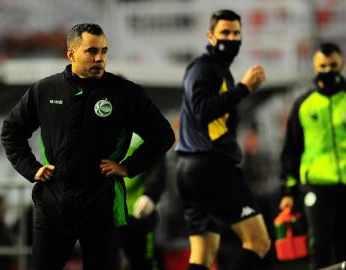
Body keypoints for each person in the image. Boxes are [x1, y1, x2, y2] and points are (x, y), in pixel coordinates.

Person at [0, 23, 175, 270]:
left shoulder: (125, 93)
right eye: (92, 51)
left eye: (104, 51)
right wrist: (32, 168)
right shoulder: (45, 89)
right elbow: (11, 131)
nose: (99, 58)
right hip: (52, 206)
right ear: (71, 53)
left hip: (102, 207)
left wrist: (128, 167)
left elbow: (163, 135)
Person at [175, 9, 271, 270]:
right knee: (258, 242)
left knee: (203, 254)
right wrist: (244, 89)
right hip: (211, 167)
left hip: (190, 169)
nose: (231, 38)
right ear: (210, 35)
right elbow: (202, 110)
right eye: (225, 32)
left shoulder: (218, 71)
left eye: (236, 33)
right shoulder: (203, 68)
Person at [279, 42, 346, 270]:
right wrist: (288, 190)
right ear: (314, 66)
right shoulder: (303, 105)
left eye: (333, 65)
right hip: (316, 185)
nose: (328, 70)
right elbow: (291, 149)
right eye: (323, 65)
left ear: (342, 64)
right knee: (320, 245)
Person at [118, 133, 166, 270]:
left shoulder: (144, 123)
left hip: (138, 212)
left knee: (146, 263)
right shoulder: (97, 121)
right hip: (106, 213)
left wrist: (150, 195)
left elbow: (157, 164)